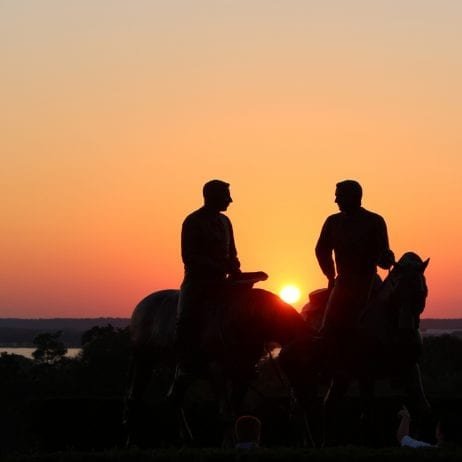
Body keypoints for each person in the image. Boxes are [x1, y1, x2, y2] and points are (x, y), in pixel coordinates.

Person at [175, 179, 242, 377]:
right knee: (187, 319)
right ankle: (185, 359)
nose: (230, 200)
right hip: (198, 283)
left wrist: (235, 267)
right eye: (226, 196)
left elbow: (232, 252)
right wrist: (219, 266)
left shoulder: (225, 222)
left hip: (223, 281)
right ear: (212, 197)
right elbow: (190, 257)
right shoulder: (193, 221)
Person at [315, 179, 395, 338]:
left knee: (392, 318)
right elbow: (321, 250)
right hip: (343, 284)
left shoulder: (375, 221)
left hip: (369, 282)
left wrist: (387, 258)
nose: (335, 200)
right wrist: (330, 276)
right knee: (328, 330)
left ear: (353, 196)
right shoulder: (333, 222)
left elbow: (383, 260)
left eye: (339, 196)